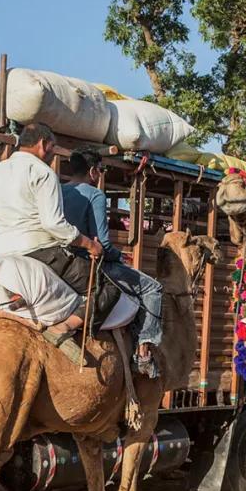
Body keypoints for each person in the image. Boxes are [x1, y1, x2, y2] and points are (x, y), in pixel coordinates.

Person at [0, 123, 119, 357]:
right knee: (108, 286)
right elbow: (54, 224)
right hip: (41, 253)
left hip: (1, 255)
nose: (52, 155)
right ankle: (64, 327)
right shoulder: (42, 173)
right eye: (53, 149)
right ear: (43, 144)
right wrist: (90, 244)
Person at [61, 149, 164, 377]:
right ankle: (143, 356)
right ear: (92, 171)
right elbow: (103, 243)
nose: (99, 175)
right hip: (89, 264)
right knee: (153, 288)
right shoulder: (95, 195)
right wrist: (119, 256)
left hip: (60, 262)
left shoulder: (57, 191)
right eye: (100, 170)